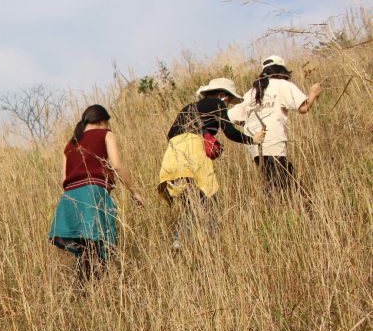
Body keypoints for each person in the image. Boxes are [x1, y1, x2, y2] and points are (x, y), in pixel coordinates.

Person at [158, 77, 263, 248]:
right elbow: (229, 132)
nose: (227, 105)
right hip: (193, 155)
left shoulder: (188, 108)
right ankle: (210, 245)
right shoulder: (217, 103)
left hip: (172, 157)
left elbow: (170, 134)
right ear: (223, 95)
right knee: (210, 201)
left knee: (192, 203)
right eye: (228, 101)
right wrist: (252, 139)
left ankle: (180, 241)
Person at [49, 105, 144, 281]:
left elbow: (64, 180)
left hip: (69, 198)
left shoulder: (70, 145)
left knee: (86, 252)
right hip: (93, 195)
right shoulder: (107, 134)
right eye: (108, 124)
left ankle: (84, 295)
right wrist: (134, 192)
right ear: (103, 121)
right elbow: (117, 165)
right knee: (99, 248)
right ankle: (96, 292)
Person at [229, 55, 322, 191]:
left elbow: (232, 117)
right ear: (282, 70)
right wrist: (313, 93)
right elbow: (303, 108)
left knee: (272, 181)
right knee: (286, 186)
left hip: (253, 144)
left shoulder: (253, 91)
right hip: (273, 140)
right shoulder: (282, 85)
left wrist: (248, 125)